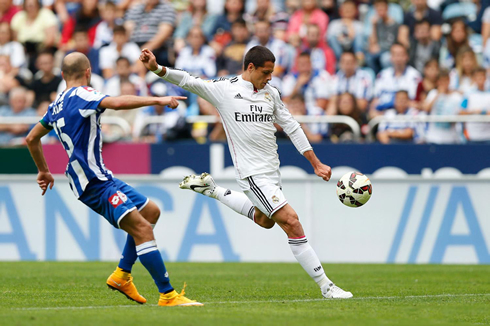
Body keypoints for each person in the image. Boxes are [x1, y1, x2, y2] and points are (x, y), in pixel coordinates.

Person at [140, 46, 353, 299]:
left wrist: (315, 162)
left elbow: (292, 127)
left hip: (272, 172)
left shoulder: (271, 93)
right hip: (252, 174)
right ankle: (326, 286)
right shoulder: (225, 89)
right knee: (292, 222)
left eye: (272, 72)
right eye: (266, 72)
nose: (270, 77)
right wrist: (156, 68)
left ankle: (213, 189)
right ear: (250, 67)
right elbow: (188, 80)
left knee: (266, 221)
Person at [25, 52, 202, 307]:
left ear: (62, 75)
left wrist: (43, 170)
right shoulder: (85, 94)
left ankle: (121, 274)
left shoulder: (56, 103)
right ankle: (168, 295)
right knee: (143, 229)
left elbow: (31, 138)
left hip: (100, 177)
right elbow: (116, 103)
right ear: (88, 73)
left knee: (150, 212)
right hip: (93, 183)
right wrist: (158, 99)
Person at [423, 69, 462, 144]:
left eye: (446, 81)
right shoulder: (433, 93)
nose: (444, 83)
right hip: (433, 138)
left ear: (449, 81)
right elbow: (426, 108)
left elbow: (460, 114)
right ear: (438, 82)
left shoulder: (456, 96)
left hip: (451, 138)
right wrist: (438, 95)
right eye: (441, 81)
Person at [459, 67, 490, 143]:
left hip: (488, 136)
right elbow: (461, 112)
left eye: (482, 76)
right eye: (477, 76)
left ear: (485, 78)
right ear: (474, 78)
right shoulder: (468, 94)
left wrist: (483, 112)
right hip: (472, 136)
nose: (480, 78)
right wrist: (474, 112)